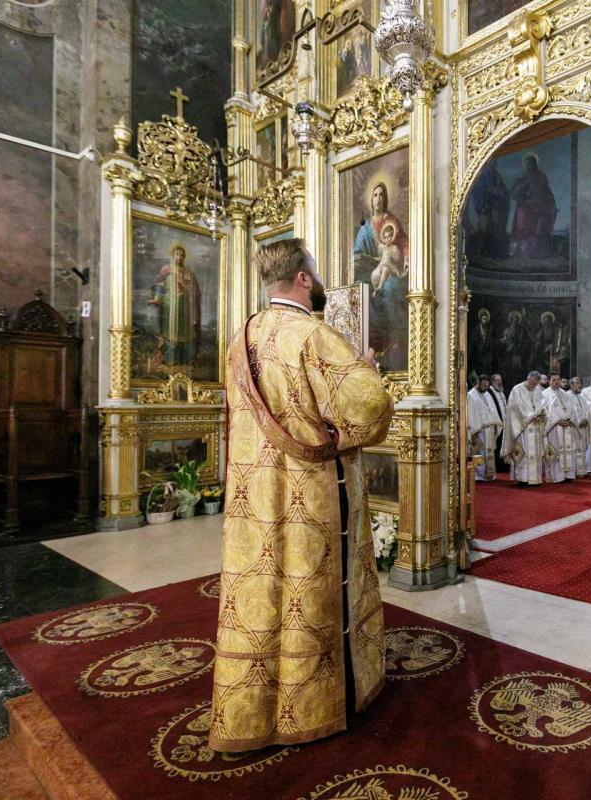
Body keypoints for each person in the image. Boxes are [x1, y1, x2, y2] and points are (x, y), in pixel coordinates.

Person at [210, 239, 393, 752]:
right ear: (304, 280)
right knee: (307, 589)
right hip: (309, 494)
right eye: (314, 272)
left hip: (254, 492)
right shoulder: (314, 336)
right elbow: (369, 407)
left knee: (264, 592)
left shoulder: (240, 335)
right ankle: (315, 700)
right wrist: (366, 372)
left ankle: (254, 711)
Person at [352, 181, 409, 372]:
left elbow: (403, 244)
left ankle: (395, 340)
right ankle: (372, 343)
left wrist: (407, 257)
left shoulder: (392, 221)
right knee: (361, 289)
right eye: (375, 195)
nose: (378, 199)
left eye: (381, 195)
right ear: (371, 199)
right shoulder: (366, 227)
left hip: (391, 267)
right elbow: (357, 253)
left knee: (392, 288)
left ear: (386, 198)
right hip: (370, 270)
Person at [150, 244, 202, 369]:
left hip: (186, 307)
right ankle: (169, 359)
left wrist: (187, 290)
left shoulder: (189, 272)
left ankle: (187, 359)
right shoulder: (166, 269)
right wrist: (157, 298)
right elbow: (159, 285)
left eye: (182, 255)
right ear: (173, 256)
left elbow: (196, 290)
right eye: (177, 255)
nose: (179, 257)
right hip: (170, 307)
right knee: (170, 332)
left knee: (187, 333)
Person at [502, 371, 547, 486]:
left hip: (536, 428)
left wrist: (541, 416)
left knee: (535, 454)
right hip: (522, 429)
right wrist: (531, 416)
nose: (533, 386)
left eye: (535, 384)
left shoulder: (538, 390)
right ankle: (522, 479)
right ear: (528, 378)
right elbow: (514, 408)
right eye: (532, 383)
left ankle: (535, 479)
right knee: (524, 453)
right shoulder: (517, 390)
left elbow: (544, 405)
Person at [510, 153, 558, 258]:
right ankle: (522, 253)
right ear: (525, 165)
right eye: (528, 163)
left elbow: (547, 191)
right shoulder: (522, 176)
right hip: (525, 208)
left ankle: (536, 253)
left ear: (535, 163)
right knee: (524, 230)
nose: (530, 165)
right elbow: (514, 193)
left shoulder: (542, 176)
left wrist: (552, 204)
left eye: (532, 163)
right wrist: (523, 188)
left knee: (539, 230)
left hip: (540, 208)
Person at [467, 375, 501, 482]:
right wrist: (474, 430)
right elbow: (471, 414)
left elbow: (492, 411)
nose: (485, 388)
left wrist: (495, 424)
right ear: (478, 383)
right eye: (483, 385)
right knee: (479, 452)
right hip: (478, 429)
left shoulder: (487, 394)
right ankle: (478, 476)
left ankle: (489, 474)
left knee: (489, 452)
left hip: (489, 429)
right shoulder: (471, 395)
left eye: (487, 386)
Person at [542, 374, 571, 484]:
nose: (557, 382)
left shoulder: (564, 393)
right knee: (554, 450)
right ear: (549, 381)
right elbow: (545, 411)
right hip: (553, 427)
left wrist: (569, 419)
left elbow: (570, 407)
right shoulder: (545, 394)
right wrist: (558, 420)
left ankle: (566, 474)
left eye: (558, 379)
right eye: (554, 380)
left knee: (565, 450)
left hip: (565, 426)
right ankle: (554, 476)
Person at [370, 222, 407, 297]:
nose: (387, 239)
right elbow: (380, 255)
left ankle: (380, 287)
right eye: (385, 237)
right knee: (374, 274)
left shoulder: (394, 248)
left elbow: (398, 260)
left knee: (385, 269)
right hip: (382, 266)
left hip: (392, 267)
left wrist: (393, 254)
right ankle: (376, 290)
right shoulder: (383, 248)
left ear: (392, 237)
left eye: (389, 236)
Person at [568, 377, 588, 477]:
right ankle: (574, 471)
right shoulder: (567, 396)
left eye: (580, 383)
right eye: (577, 383)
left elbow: (587, 410)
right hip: (574, 428)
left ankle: (582, 471)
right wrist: (579, 422)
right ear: (571, 385)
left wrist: (586, 419)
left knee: (582, 449)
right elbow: (570, 412)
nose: (579, 385)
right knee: (574, 449)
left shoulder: (581, 397)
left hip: (583, 427)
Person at [488, 373, 507, 471]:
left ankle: (502, 464)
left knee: (502, 444)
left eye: (500, 380)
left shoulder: (501, 392)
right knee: (497, 444)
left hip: (504, 423)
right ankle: (498, 465)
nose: (499, 382)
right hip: (496, 423)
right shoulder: (490, 392)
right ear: (492, 381)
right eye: (497, 380)